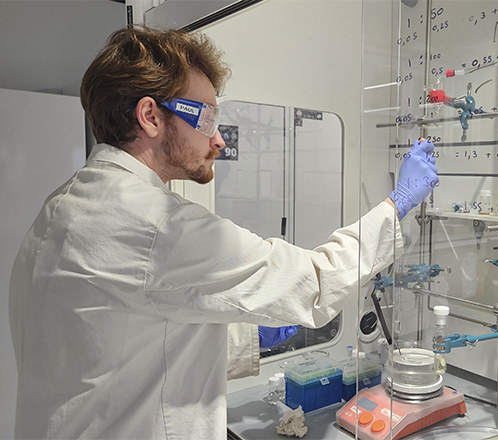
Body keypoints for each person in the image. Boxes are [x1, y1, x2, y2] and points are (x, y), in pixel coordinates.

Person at [9, 26, 438, 439]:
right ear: (150, 116)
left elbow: (127, 344)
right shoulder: (155, 224)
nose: (218, 140)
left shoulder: (60, 207)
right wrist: (396, 205)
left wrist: (252, 335)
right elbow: (316, 281)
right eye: (206, 117)